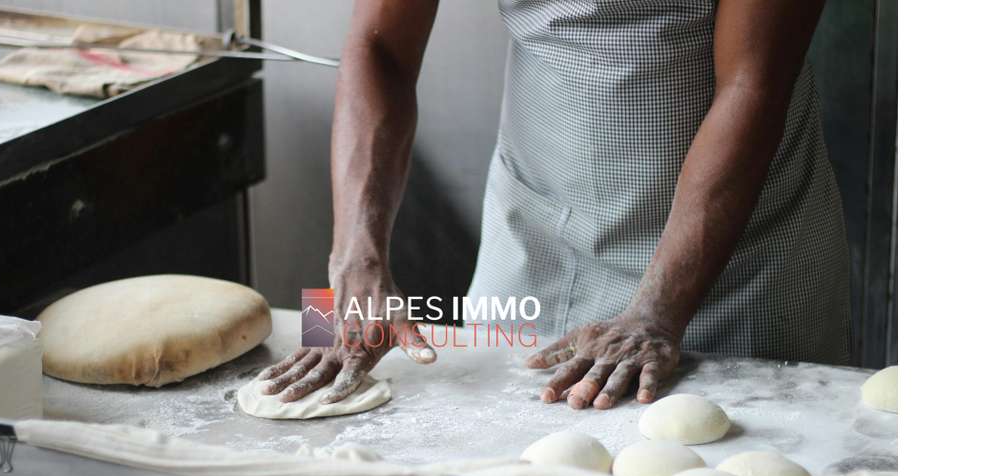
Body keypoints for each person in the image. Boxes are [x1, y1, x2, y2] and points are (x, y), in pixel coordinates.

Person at [258, 0, 850, 411]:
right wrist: (356, 258)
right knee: (492, 452)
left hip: (736, 252)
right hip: (534, 225)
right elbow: (379, 45)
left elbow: (754, 84)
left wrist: (657, 311)